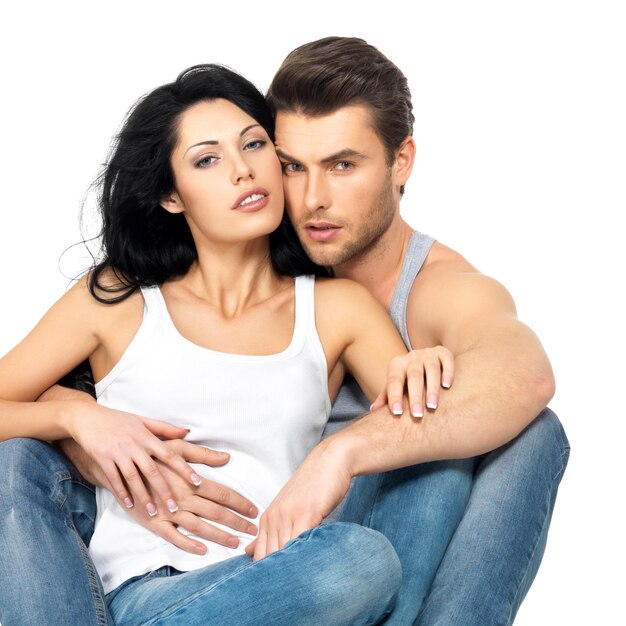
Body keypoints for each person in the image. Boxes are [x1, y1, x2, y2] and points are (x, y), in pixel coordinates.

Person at [0, 36, 570, 625]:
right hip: (155, 590)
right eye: (208, 159)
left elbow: (482, 404)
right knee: (13, 458)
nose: (248, 172)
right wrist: (76, 417)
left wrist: (397, 396)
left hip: (289, 575)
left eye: (253, 147)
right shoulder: (119, 296)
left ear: (400, 162)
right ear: (171, 194)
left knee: (419, 495)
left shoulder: (347, 306)